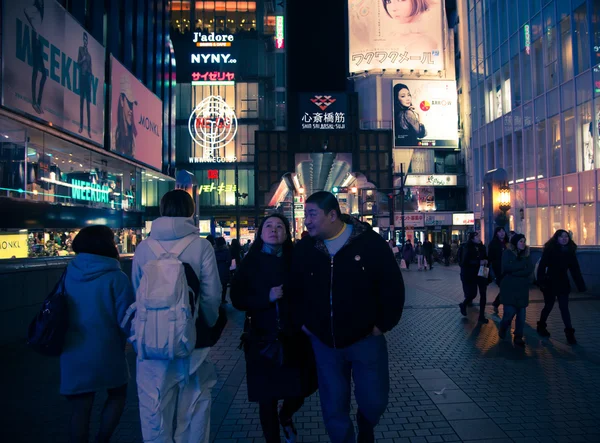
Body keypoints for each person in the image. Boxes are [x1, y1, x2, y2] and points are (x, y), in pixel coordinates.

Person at [292, 191, 405, 443]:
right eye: (305, 214)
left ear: (332, 215)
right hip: (324, 343)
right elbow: (293, 290)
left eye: (312, 214)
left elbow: (392, 287)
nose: (306, 220)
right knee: (333, 406)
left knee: (375, 400)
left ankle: (367, 421)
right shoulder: (306, 249)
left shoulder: (369, 243)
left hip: (366, 340)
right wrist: (304, 324)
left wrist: (381, 325)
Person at [132, 190, 221, 443]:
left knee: (154, 411)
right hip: (192, 343)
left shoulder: (143, 248)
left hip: (151, 345)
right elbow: (211, 295)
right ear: (191, 211)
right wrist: (208, 324)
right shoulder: (201, 245)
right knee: (195, 407)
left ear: (161, 210)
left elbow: (137, 291)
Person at [231, 214, 317, 443]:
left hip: (295, 337)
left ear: (287, 233)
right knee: (266, 398)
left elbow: (309, 293)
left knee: (301, 389)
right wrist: (265, 297)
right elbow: (237, 298)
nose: (274, 229)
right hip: (262, 338)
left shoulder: (295, 260)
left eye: (280, 226)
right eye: (268, 225)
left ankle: (286, 415)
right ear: (260, 233)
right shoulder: (250, 262)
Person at [59, 225, 134, 443]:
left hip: (73, 349)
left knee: (80, 408)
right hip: (107, 348)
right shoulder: (116, 277)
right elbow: (127, 318)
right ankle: (103, 439)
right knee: (118, 394)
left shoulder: (69, 272)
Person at [536, 230, 586, 344]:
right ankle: (541, 326)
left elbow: (575, 269)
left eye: (566, 237)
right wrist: (541, 282)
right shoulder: (550, 250)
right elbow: (542, 267)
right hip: (550, 283)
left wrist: (580, 285)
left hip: (563, 283)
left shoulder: (570, 251)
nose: (564, 238)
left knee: (564, 308)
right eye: (562, 237)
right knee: (548, 306)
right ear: (556, 238)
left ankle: (569, 333)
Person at [498, 234, 534, 347]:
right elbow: (506, 267)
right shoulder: (507, 253)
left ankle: (518, 336)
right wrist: (520, 267)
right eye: (520, 241)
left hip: (522, 288)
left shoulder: (527, 254)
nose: (523, 243)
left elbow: (529, 269)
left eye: (524, 241)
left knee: (521, 314)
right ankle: (503, 327)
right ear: (515, 243)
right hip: (509, 287)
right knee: (509, 313)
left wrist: (515, 270)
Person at [458, 232, 490, 324]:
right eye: (477, 236)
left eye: (479, 236)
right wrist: (478, 262)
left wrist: (486, 260)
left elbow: (486, 257)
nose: (479, 237)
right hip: (471, 273)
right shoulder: (467, 247)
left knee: (483, 293)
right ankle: (463, 304)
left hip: (483, 271)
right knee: (472, 294)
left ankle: (481, 316)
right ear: (472, 238)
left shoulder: (482, 247)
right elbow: (465, 262)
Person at [24, 0, 46, 115]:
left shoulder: (41, 11)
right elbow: (25, 11)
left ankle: (37, 101)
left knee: (43, 73)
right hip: (35, 42)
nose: (42, 2)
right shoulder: (32, 9)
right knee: (36, 72)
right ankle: (34, 101)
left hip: (39, 43)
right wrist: (33, 26)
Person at [113, 75, 138, 158]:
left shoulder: (132, 138)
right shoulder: (114, 135)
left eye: (132, 105)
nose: (131, 110)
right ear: (121, 100)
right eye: (129, 104)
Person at [489, 227, 509, 310]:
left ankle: (497, 303)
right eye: (499, 231)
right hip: (498, 270)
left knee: (506, 288)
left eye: (503, 231)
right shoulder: (493, 244)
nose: (502, 233)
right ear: (496, 233)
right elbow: (490, 258)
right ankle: (500, 304)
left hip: (508, 269)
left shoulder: (507, 243)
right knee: (504, 288)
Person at [78, 32, 93, 138]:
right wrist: (82, 60)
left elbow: (91, 70)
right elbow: (77, 62)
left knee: (88, 105)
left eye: (86, 40)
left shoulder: (89, 55)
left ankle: (89, 129)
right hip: (82, 77)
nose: (85, 41)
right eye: (84, 39)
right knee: (81, 103)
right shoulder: (80, 50)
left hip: (87, 79)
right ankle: (81, 126)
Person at [214, 236, 232, 304]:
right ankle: (223, 299)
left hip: (215, 269)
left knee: (215, 285)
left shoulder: (213, 250)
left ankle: (216, 299)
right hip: (224, 269)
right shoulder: (226, 250)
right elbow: (229, 261)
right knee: (224, 286)